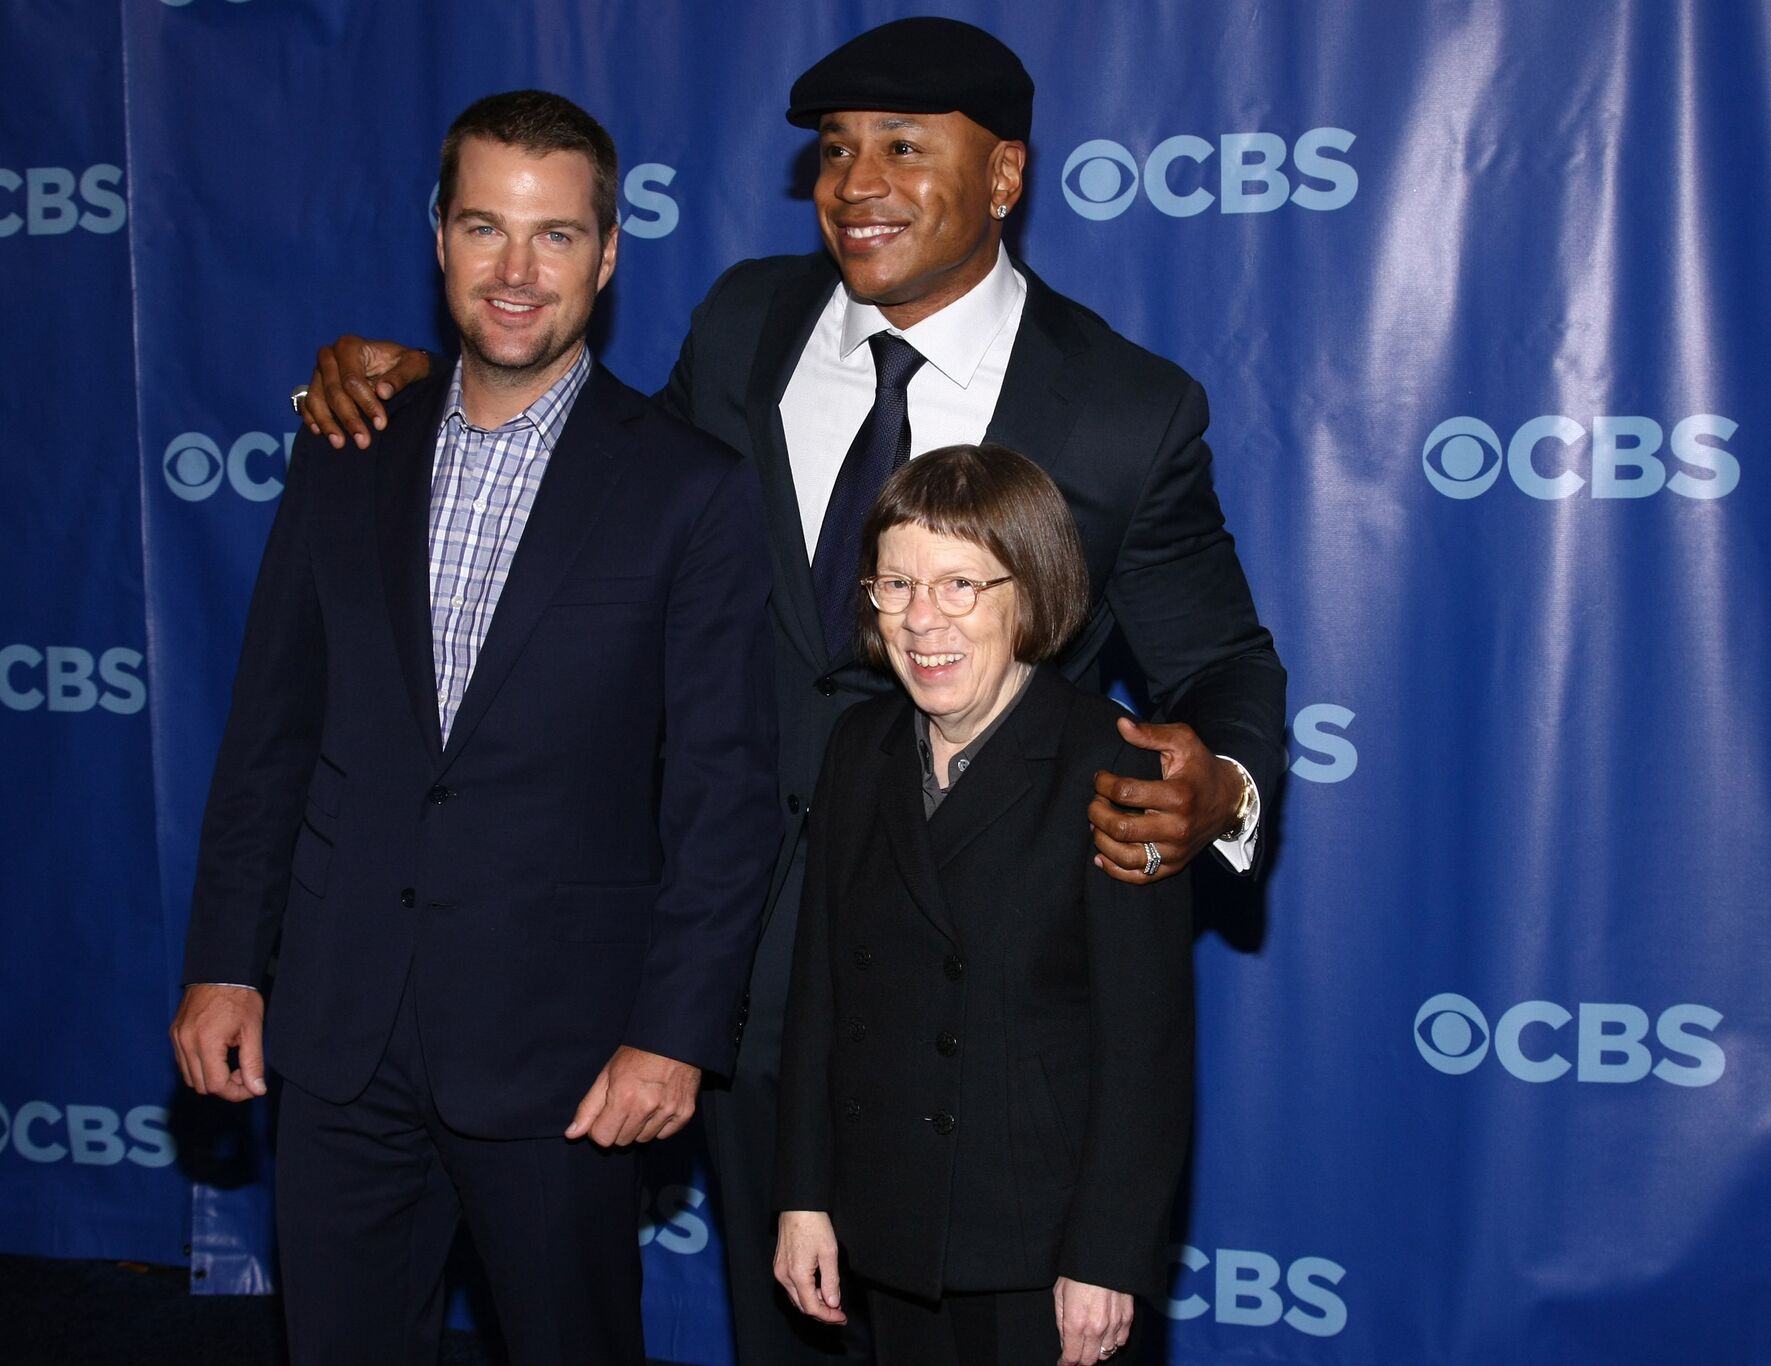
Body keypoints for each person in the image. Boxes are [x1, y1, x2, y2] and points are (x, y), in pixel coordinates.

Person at [296, 18, 1284, 1362]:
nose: (855, 182)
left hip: (978, 997)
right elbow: (603, 493)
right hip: (742, 977)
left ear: (1005, 178)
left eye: (901, 148)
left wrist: (1218, 786)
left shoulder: (1124, 407)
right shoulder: (746, 323)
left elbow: (1223, 660)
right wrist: (456, 386)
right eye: (832, 150)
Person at [169, 90, 776, 1366]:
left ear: (606, 257)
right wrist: (228, 956)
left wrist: (673, 1032)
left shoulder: (691, 490)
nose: (514, 272)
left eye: (554, 236)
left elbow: (723, 795)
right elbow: (271, 732)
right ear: (436, 237)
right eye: (484, 227)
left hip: (560, 1055)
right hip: (336, 1031)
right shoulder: (346, 444)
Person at [772, 445, 1193, 1366]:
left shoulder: (1113, 767)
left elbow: (1144, 1044)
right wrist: (803, 1196)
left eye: (961, 585)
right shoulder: (858, 747)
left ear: (1031, 594)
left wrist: (1105, 1257)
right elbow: (819, 995)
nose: (923, 621)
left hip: (1037, 1249)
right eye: (896, 586)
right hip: (886, 1223)